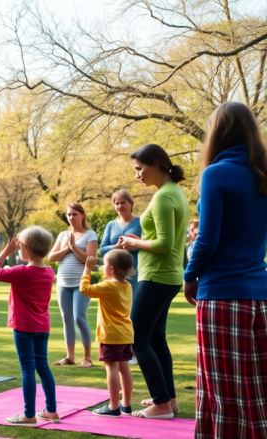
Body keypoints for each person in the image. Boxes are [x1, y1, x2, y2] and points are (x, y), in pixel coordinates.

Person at [183, 102, 267, 438]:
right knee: (258, 389)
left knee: (222, 391)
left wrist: (189, 276)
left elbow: (207, 240)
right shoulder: (262, 174)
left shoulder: (215, 173)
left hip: (222, 296)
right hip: (260, 296)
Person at [117, 143, 189, 419]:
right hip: (167, 276)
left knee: (138, 339)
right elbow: (163, 241)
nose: (137, 175)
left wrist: (136, 244)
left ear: (156, 164)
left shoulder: (163, 197)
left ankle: (160, 403)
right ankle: (168, 400)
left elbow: (165, 243)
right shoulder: (174, 192)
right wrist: (139, 241)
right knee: (157, 339)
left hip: (157, 276)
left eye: (139, 168)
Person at [0, 227, 59, 426]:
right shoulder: (49, 272)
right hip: (42, 328)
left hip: (24, 328)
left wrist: (5, 252)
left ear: (25, 248)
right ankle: (51, 411)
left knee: (28, 369)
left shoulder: (21, 272)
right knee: (43, 367)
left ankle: (29, 414)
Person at [80, 252, 134, 417]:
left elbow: (84, 289)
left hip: (111, 335)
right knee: (124, 368)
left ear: (111, 269)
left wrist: (87, 269)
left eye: (104, 264)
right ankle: (126, 405)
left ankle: (113, 406)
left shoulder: (108, 286)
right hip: (126, 333)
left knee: (111, 368)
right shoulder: (127, 285)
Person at [48, 203, 98, 368]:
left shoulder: (90, 235)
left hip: (81, 284)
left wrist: (73, 247)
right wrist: (65, 249)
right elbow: (51, 257)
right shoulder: (63, 235)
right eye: (69, 215)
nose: (71, 218)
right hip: (63, 283)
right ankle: (70, 356)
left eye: (74, 214)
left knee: (79, 318)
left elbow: (88, 259)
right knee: (67, 319)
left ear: (82, 215)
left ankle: (87, 357)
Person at [100, 190, 142, 296]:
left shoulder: (141, 223)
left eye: (123, 202)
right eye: (116, 203)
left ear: (131, 204)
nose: (119, 206)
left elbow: (148, 245)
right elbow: (102, 249)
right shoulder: (111, 225)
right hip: (114, 275)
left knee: (133, 307)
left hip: (135, 273)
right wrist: (117, 246)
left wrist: (135, 245)